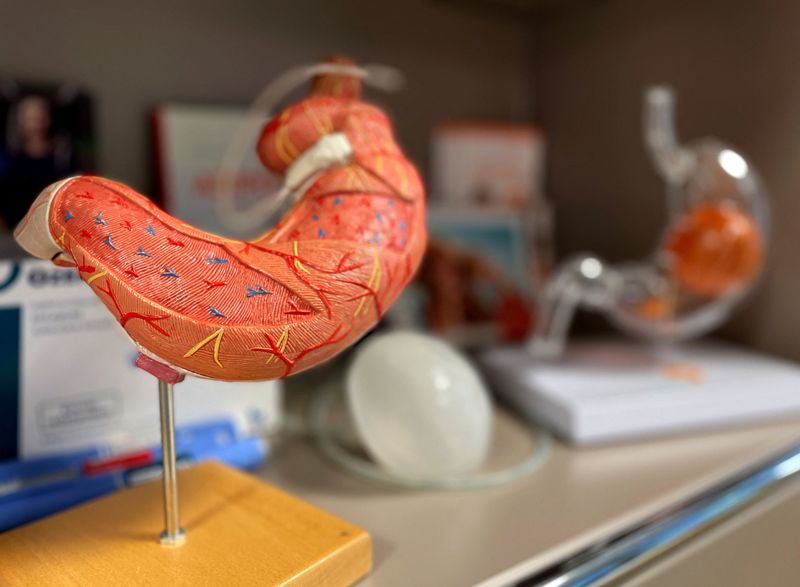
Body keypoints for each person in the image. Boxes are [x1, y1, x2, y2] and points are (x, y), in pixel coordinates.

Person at [0, 95, 76, 229]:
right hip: (14, 227)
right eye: (31, 119)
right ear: (20, 120)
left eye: (41, 118)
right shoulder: (8, 154)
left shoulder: (62, 153)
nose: (37, 124)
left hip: (53, 226)